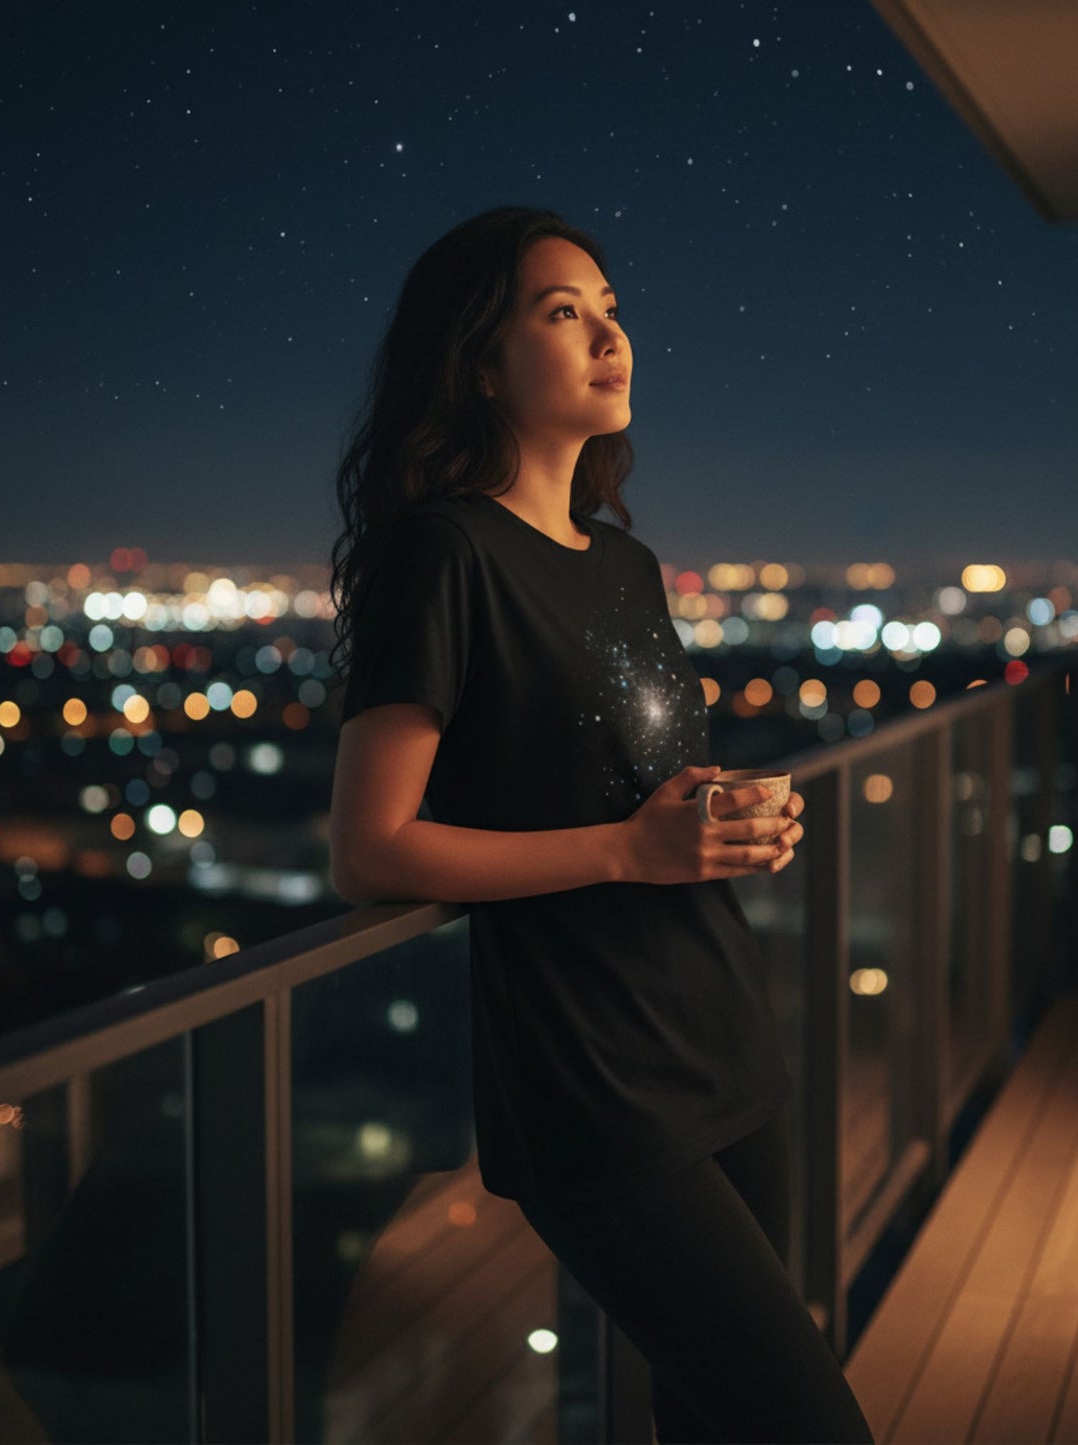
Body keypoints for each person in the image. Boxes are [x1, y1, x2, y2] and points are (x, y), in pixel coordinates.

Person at [327, 205, 873, 1444]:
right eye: (560, 311)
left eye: (610, 308)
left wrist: (718, 812)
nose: (607, 334)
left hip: (723, 1036)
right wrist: (631, 849)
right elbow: (370, 848)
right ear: (476, 360)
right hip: (592, 1081)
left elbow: (624, 776)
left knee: (711, 1420)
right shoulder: (442, 556)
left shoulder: (623, 563)